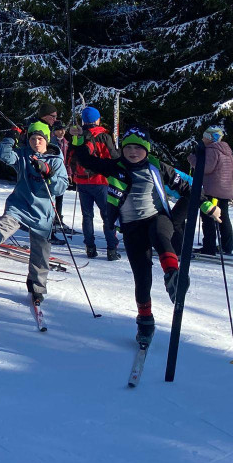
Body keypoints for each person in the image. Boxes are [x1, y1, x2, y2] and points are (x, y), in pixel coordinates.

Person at [70, 126, 220, 342]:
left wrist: (208, 207)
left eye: (138, 148)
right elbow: (86, 160)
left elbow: (188, 189)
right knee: (142, 278)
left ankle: (173, 275)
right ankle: (145, 322)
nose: (132, 152)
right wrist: (79, 139)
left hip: (156, 218)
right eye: (128, 147)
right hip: (132, 227)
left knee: (160, 234)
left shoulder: (157, 167)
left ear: (146, 150)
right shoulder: (115, 167)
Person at [0, 122, 68, 307]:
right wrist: (11, 137)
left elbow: (61, 187)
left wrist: (47, 172)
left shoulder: (55, 159)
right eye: (33, 138)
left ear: (47, 140)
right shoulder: (23, 155)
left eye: (40, 139)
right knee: (6, 223)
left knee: (40, 253)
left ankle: (37, 287)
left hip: (42, 213)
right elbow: (3, 155)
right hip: (20, 205)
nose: (36, 142)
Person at [66, 107, 120, 260]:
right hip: (101, 181)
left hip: (82, 181)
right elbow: (114, 157)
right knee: (107, 215)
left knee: (87, 215)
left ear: (83, 120)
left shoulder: (78, 136)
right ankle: (111, 249)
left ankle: (90, 248)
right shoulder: (103, 136)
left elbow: (70, 156)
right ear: (97, 119)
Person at [190, 125, 233, 256]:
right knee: (223, 217)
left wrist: (193, 158)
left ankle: (208, 247)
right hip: (224, 190)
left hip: (213, 190)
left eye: (205, 136)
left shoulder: (212, 150)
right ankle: (227, 246)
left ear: (210, 138)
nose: (203, 139)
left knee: (209, 216)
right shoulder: (226, 150)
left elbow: (206, 168)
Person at [50, 120, 71, 244]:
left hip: (62, 174)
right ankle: (51, 226)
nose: (62, 132)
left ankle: (58, 219)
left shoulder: (65, 142)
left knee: (60, 198)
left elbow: (68, 159)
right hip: (53, 174)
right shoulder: (51, 142)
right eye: (59, 129)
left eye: (63, 129)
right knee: (52, 200)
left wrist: (69, 173)